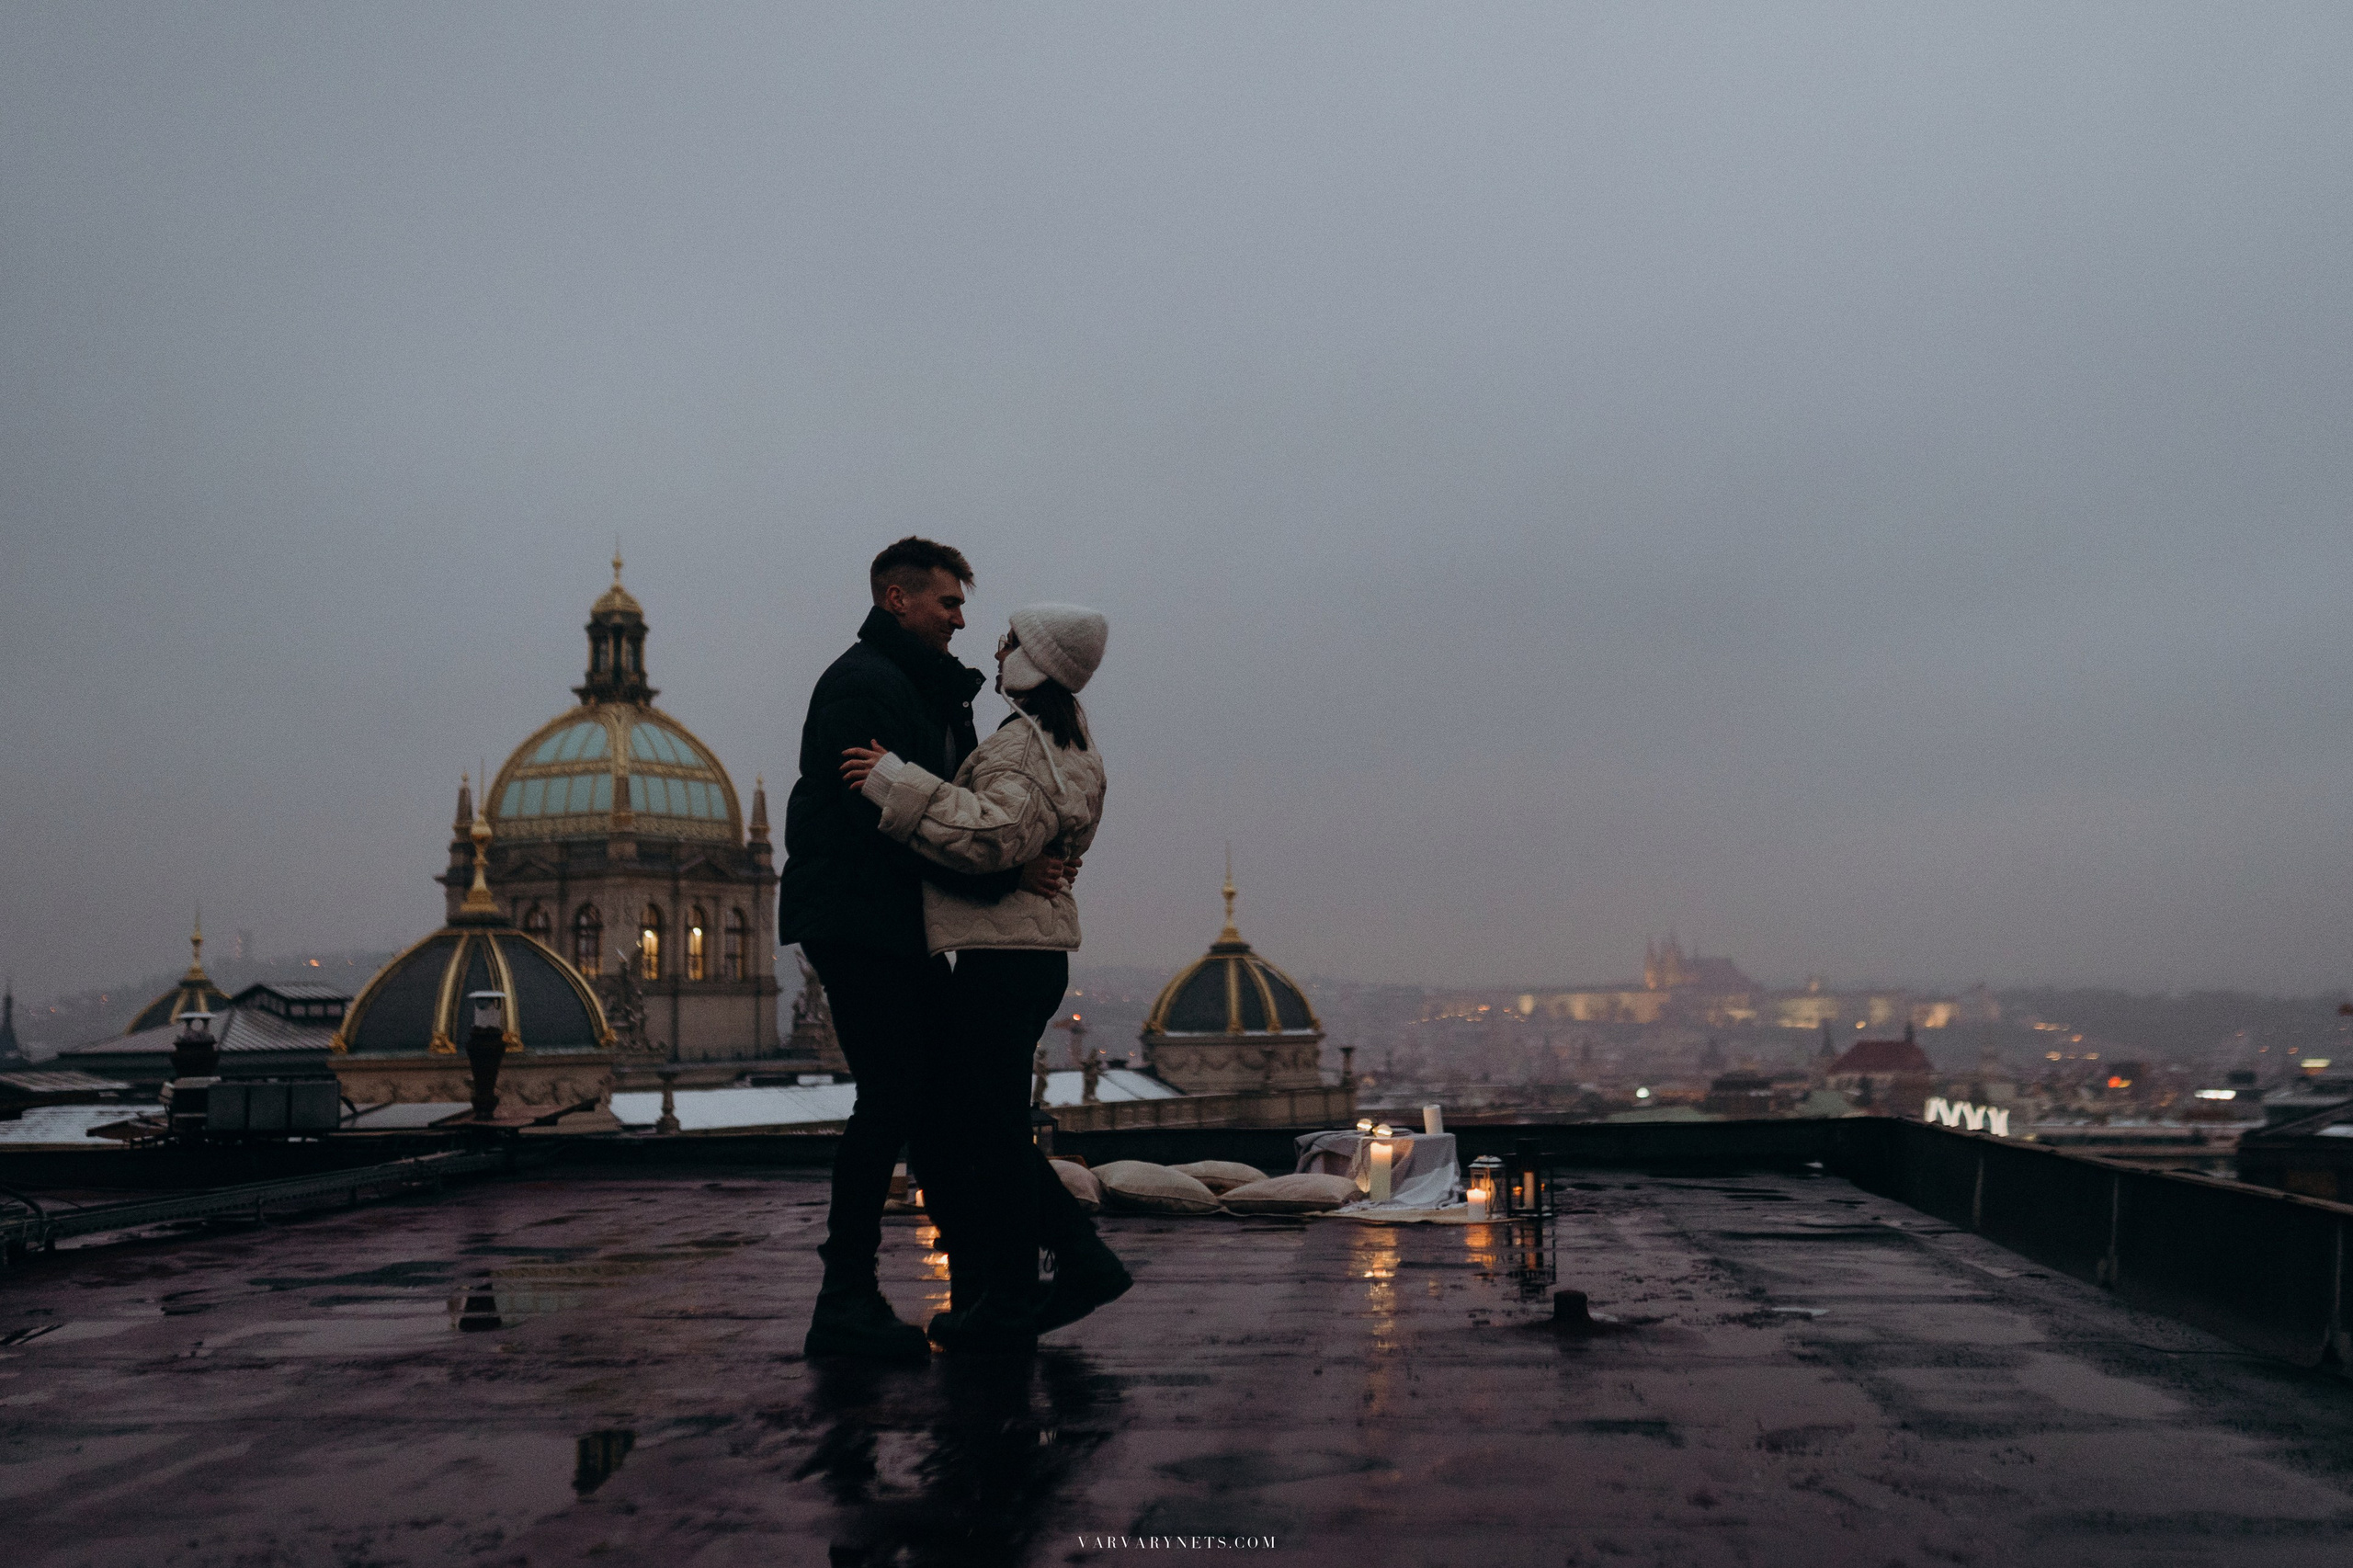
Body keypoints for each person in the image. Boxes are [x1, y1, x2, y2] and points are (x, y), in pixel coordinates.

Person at [779, 538, 1070, 1361]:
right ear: (896, 598)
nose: (961, 618)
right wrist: (1010, 873)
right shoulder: (867, 685)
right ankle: (847, 1298)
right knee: (897, 1098)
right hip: (862, 919)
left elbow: (947, 810)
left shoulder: (918, 685)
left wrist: (1010, 857)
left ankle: (975, 1277)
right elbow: (885, 828)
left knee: (920, 1096)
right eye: (948, 602)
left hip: (891, 921)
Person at [843, 602, 1131, 1353]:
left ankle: (1063, 1270)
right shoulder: (1073, 746)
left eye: (1009, 642)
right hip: (1032, 957)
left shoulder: (1017, 750)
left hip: (1002, 959)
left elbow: (990, 836)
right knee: (992, 1129)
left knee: (990, 1134)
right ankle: (1016, 1293)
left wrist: (892, 784)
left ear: (1034, 662)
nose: (996, 650)